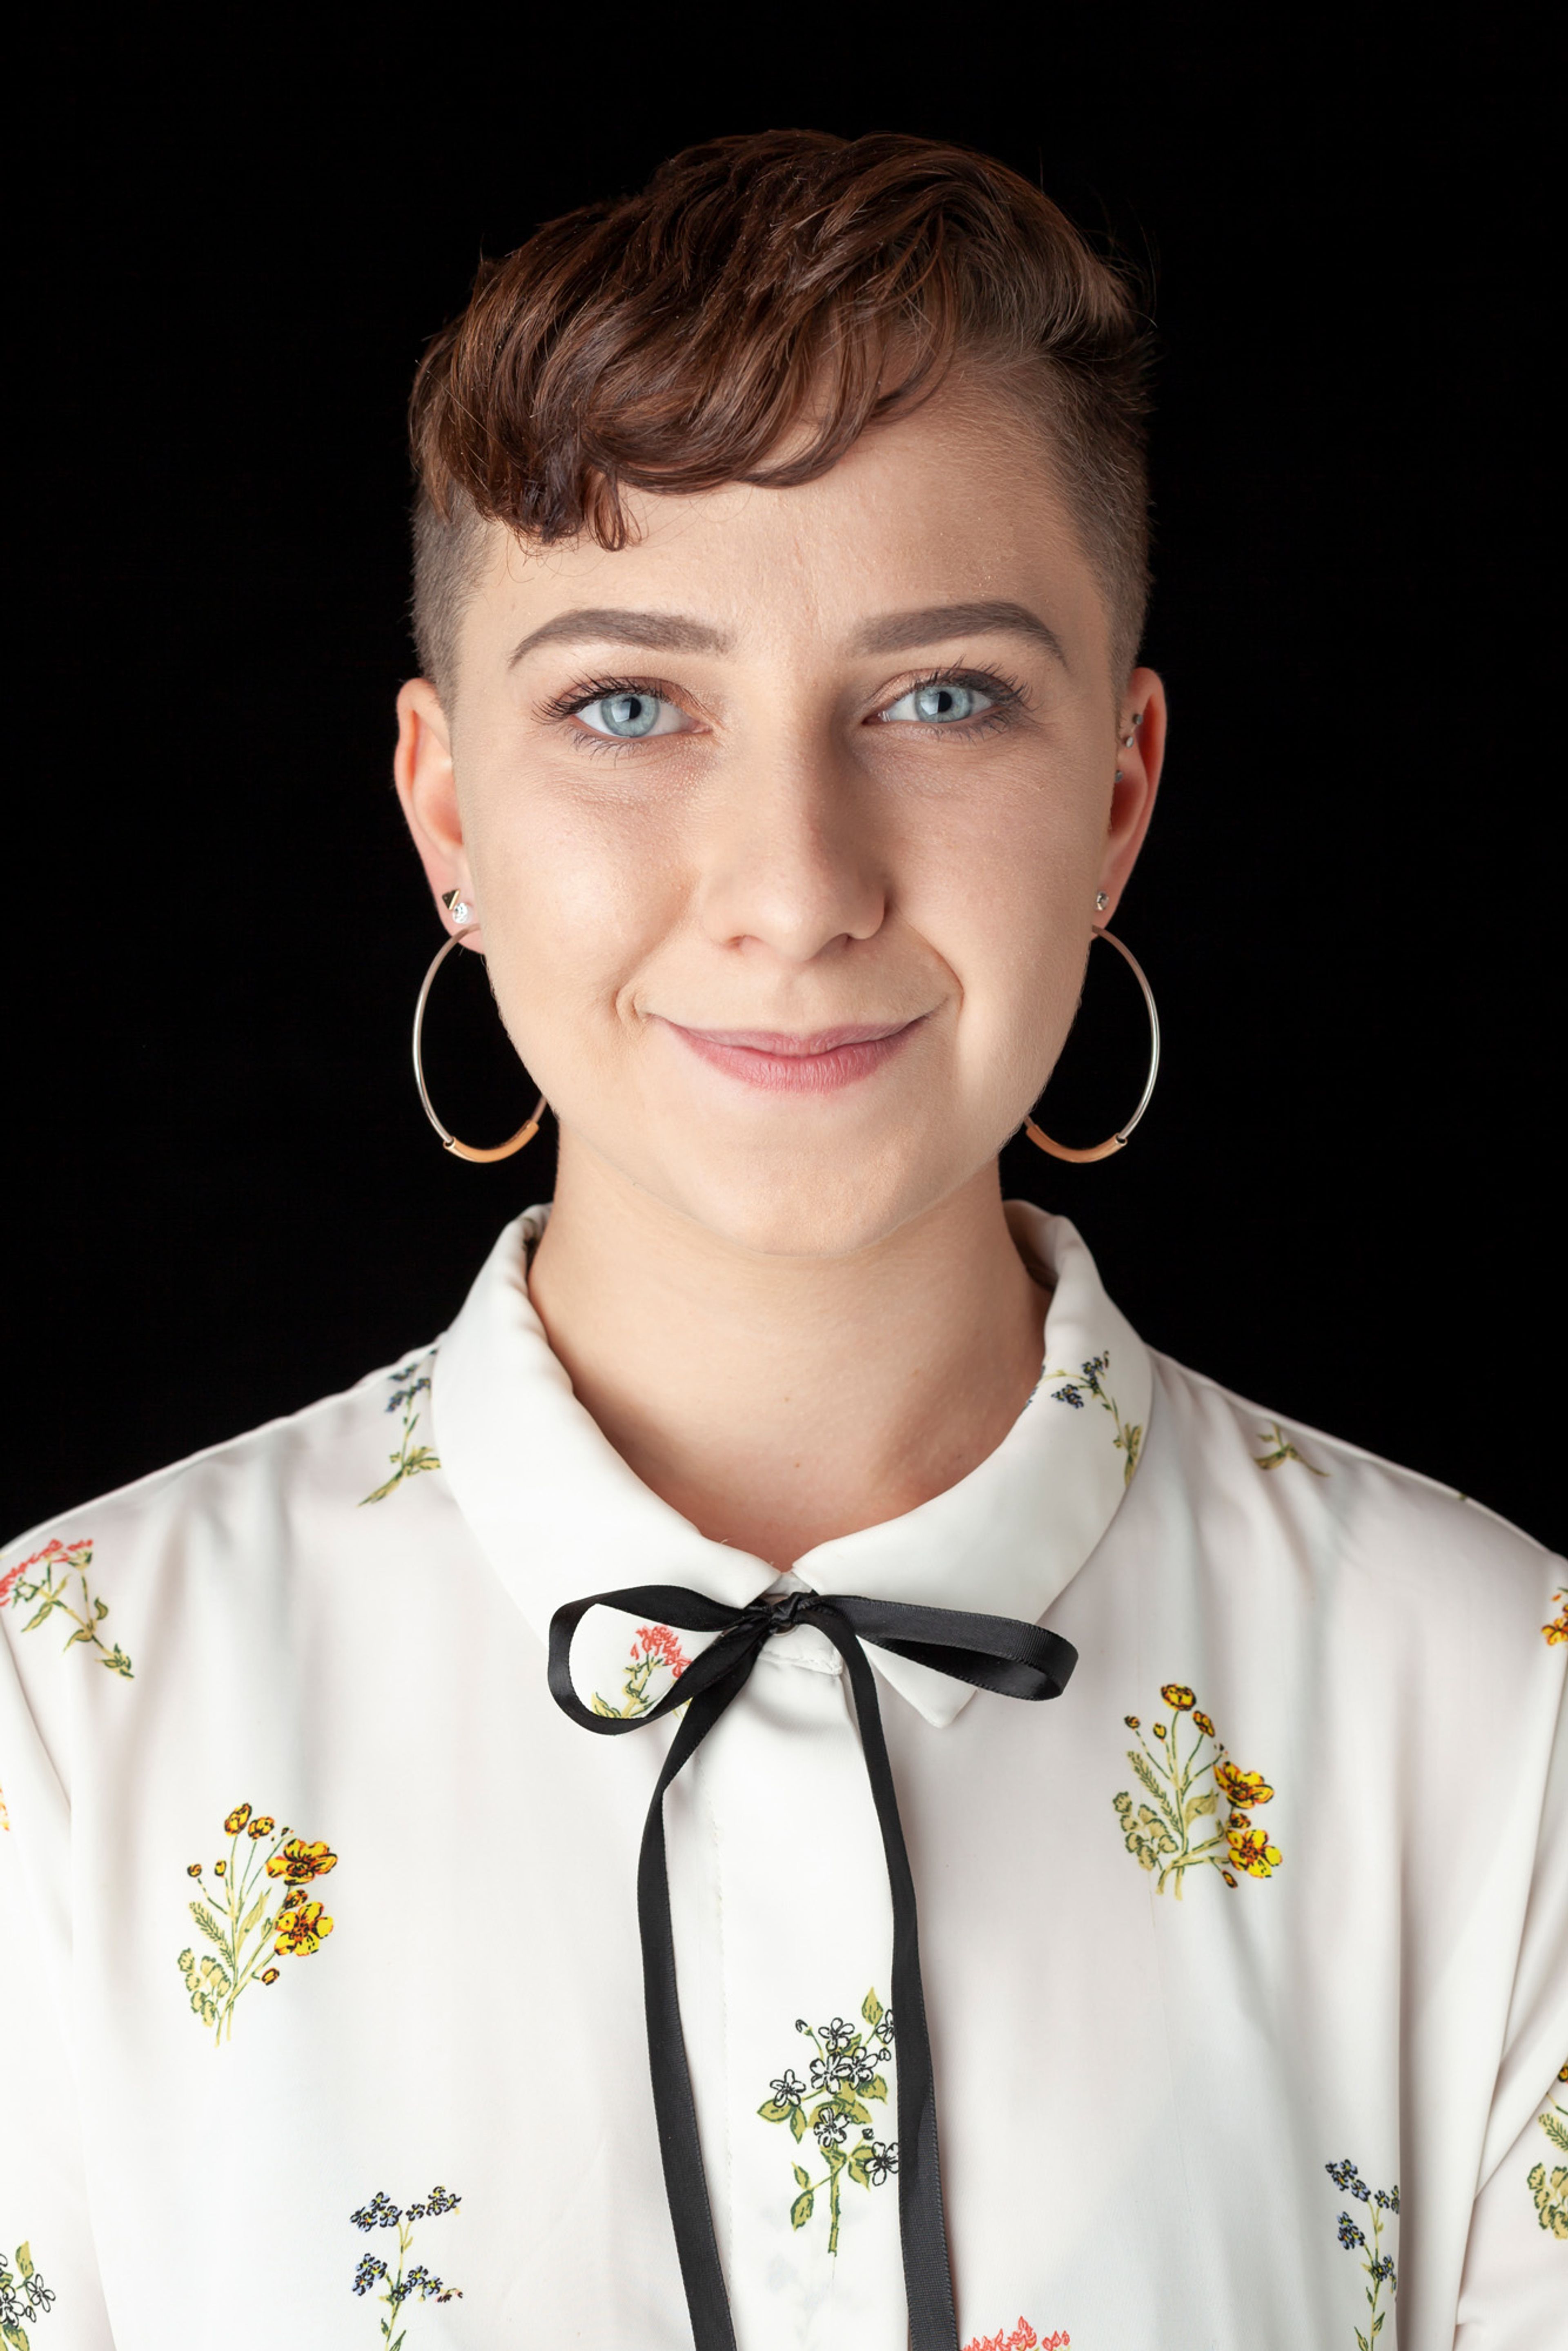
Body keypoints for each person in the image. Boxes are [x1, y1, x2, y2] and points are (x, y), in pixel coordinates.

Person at [1, 129, 1561, 2351]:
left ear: (1119, 794)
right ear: (448, 810)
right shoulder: (54, 1732)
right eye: (631, 707)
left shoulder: (1506, 1719)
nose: (795, 882)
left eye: (939, 698)